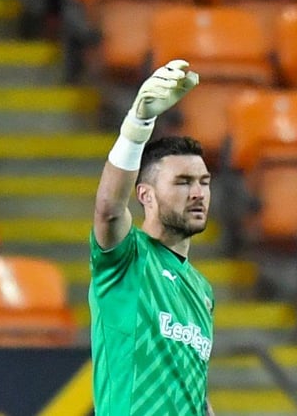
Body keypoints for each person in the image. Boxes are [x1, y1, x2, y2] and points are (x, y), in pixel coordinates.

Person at [89, 59, 216, 415]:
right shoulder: (126, 259)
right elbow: (109, 209)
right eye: (182, 182)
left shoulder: (202, 291)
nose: (198, 193)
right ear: (144, 195)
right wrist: (138, 123)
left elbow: (195, 390)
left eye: (204, 182)